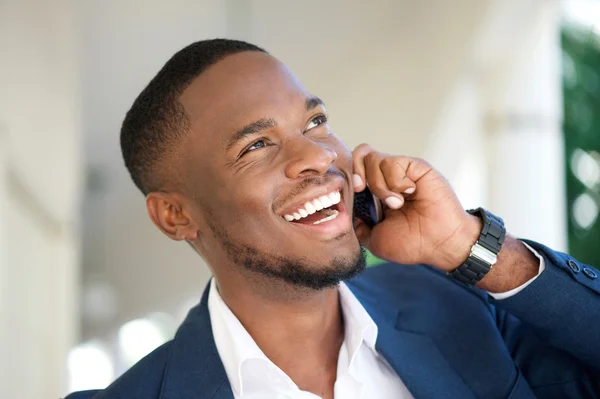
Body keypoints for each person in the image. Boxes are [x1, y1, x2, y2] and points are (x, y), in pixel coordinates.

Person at [66, 39, 600, 399]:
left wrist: (468, 245)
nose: (318, 156)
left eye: (315, 121)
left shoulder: (461, 308)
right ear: (175, 215)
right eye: (256, 144)